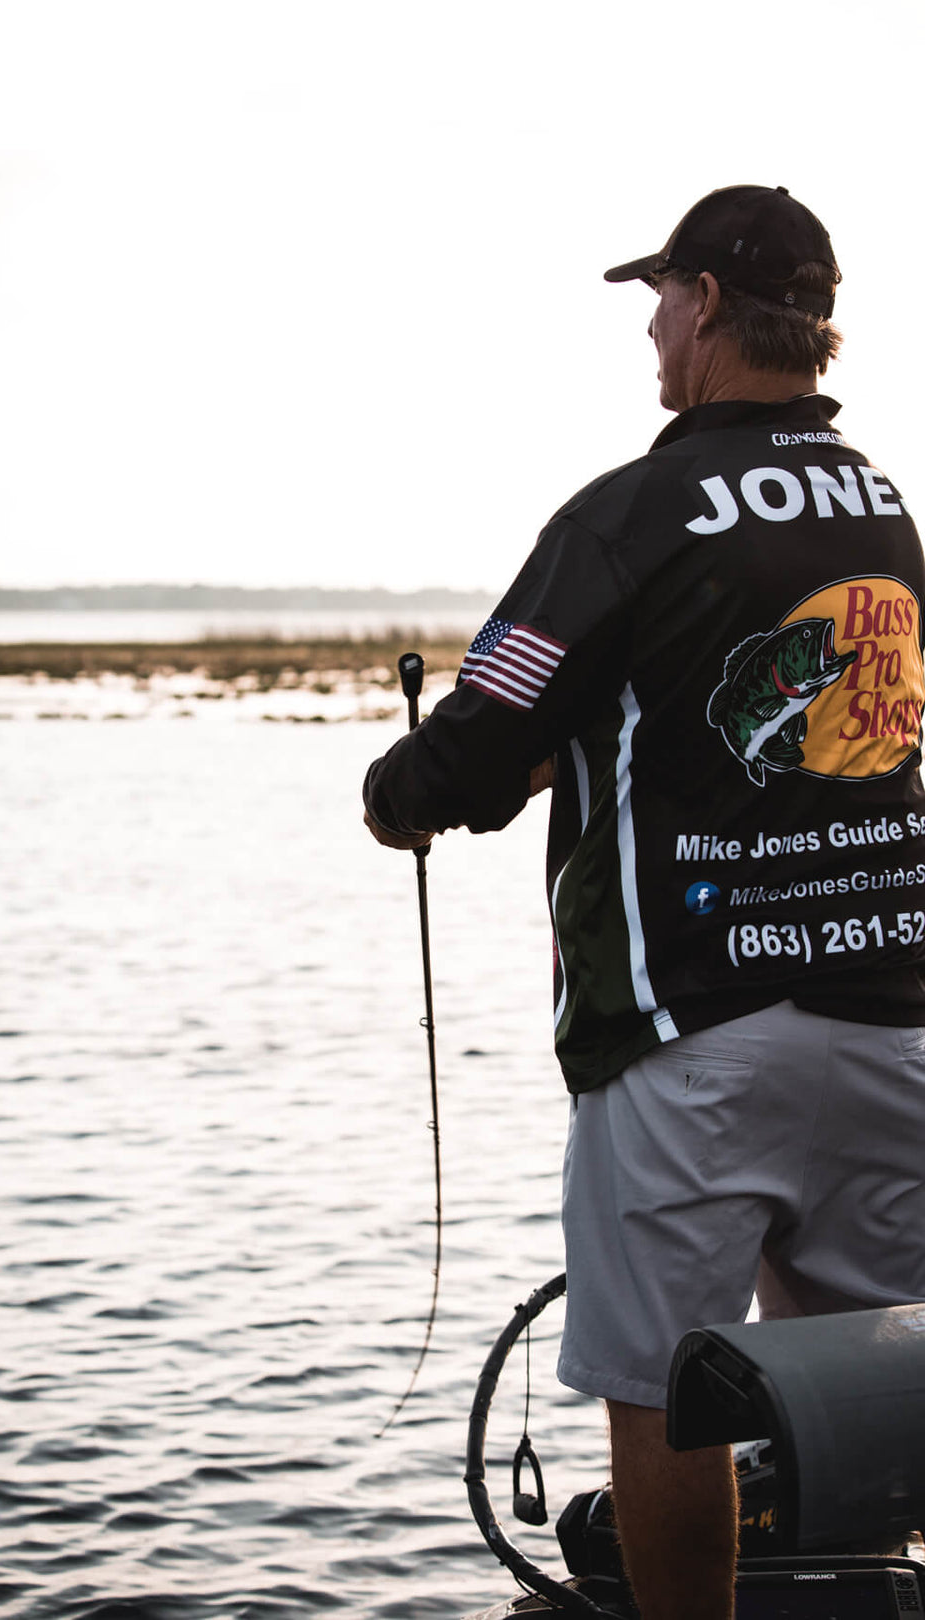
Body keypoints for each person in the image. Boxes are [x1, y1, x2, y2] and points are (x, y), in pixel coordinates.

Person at [361, 185, 925, 1620]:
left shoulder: (631, 511)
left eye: (661, 302)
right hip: (890, 1024)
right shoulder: (887, 512)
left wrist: (399, 794)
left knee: (672, 1398)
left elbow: (479, 736)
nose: (653, 336)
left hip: (686, 1045)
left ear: (716, 306)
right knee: (882, 1391)